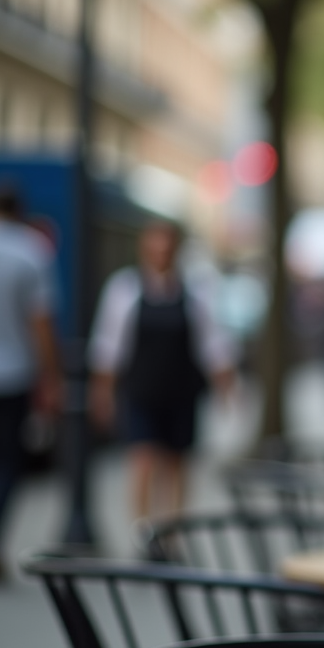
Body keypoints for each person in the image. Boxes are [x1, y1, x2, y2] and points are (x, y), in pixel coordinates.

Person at [89, 219, 234, 520]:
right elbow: (108, 345)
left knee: (176, 464)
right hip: (141, 392)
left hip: (181, 393)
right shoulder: (124, 289)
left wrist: (225, 386)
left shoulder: (196, 292)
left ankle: (172, 529)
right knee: (142, 461)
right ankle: (144, 530)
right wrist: (103, 392)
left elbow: (213, 343)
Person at [0, 182, 61, 579]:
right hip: (12, 375)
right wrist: (52, 376)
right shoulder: (32, 251)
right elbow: (41, 323)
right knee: (6, 461)